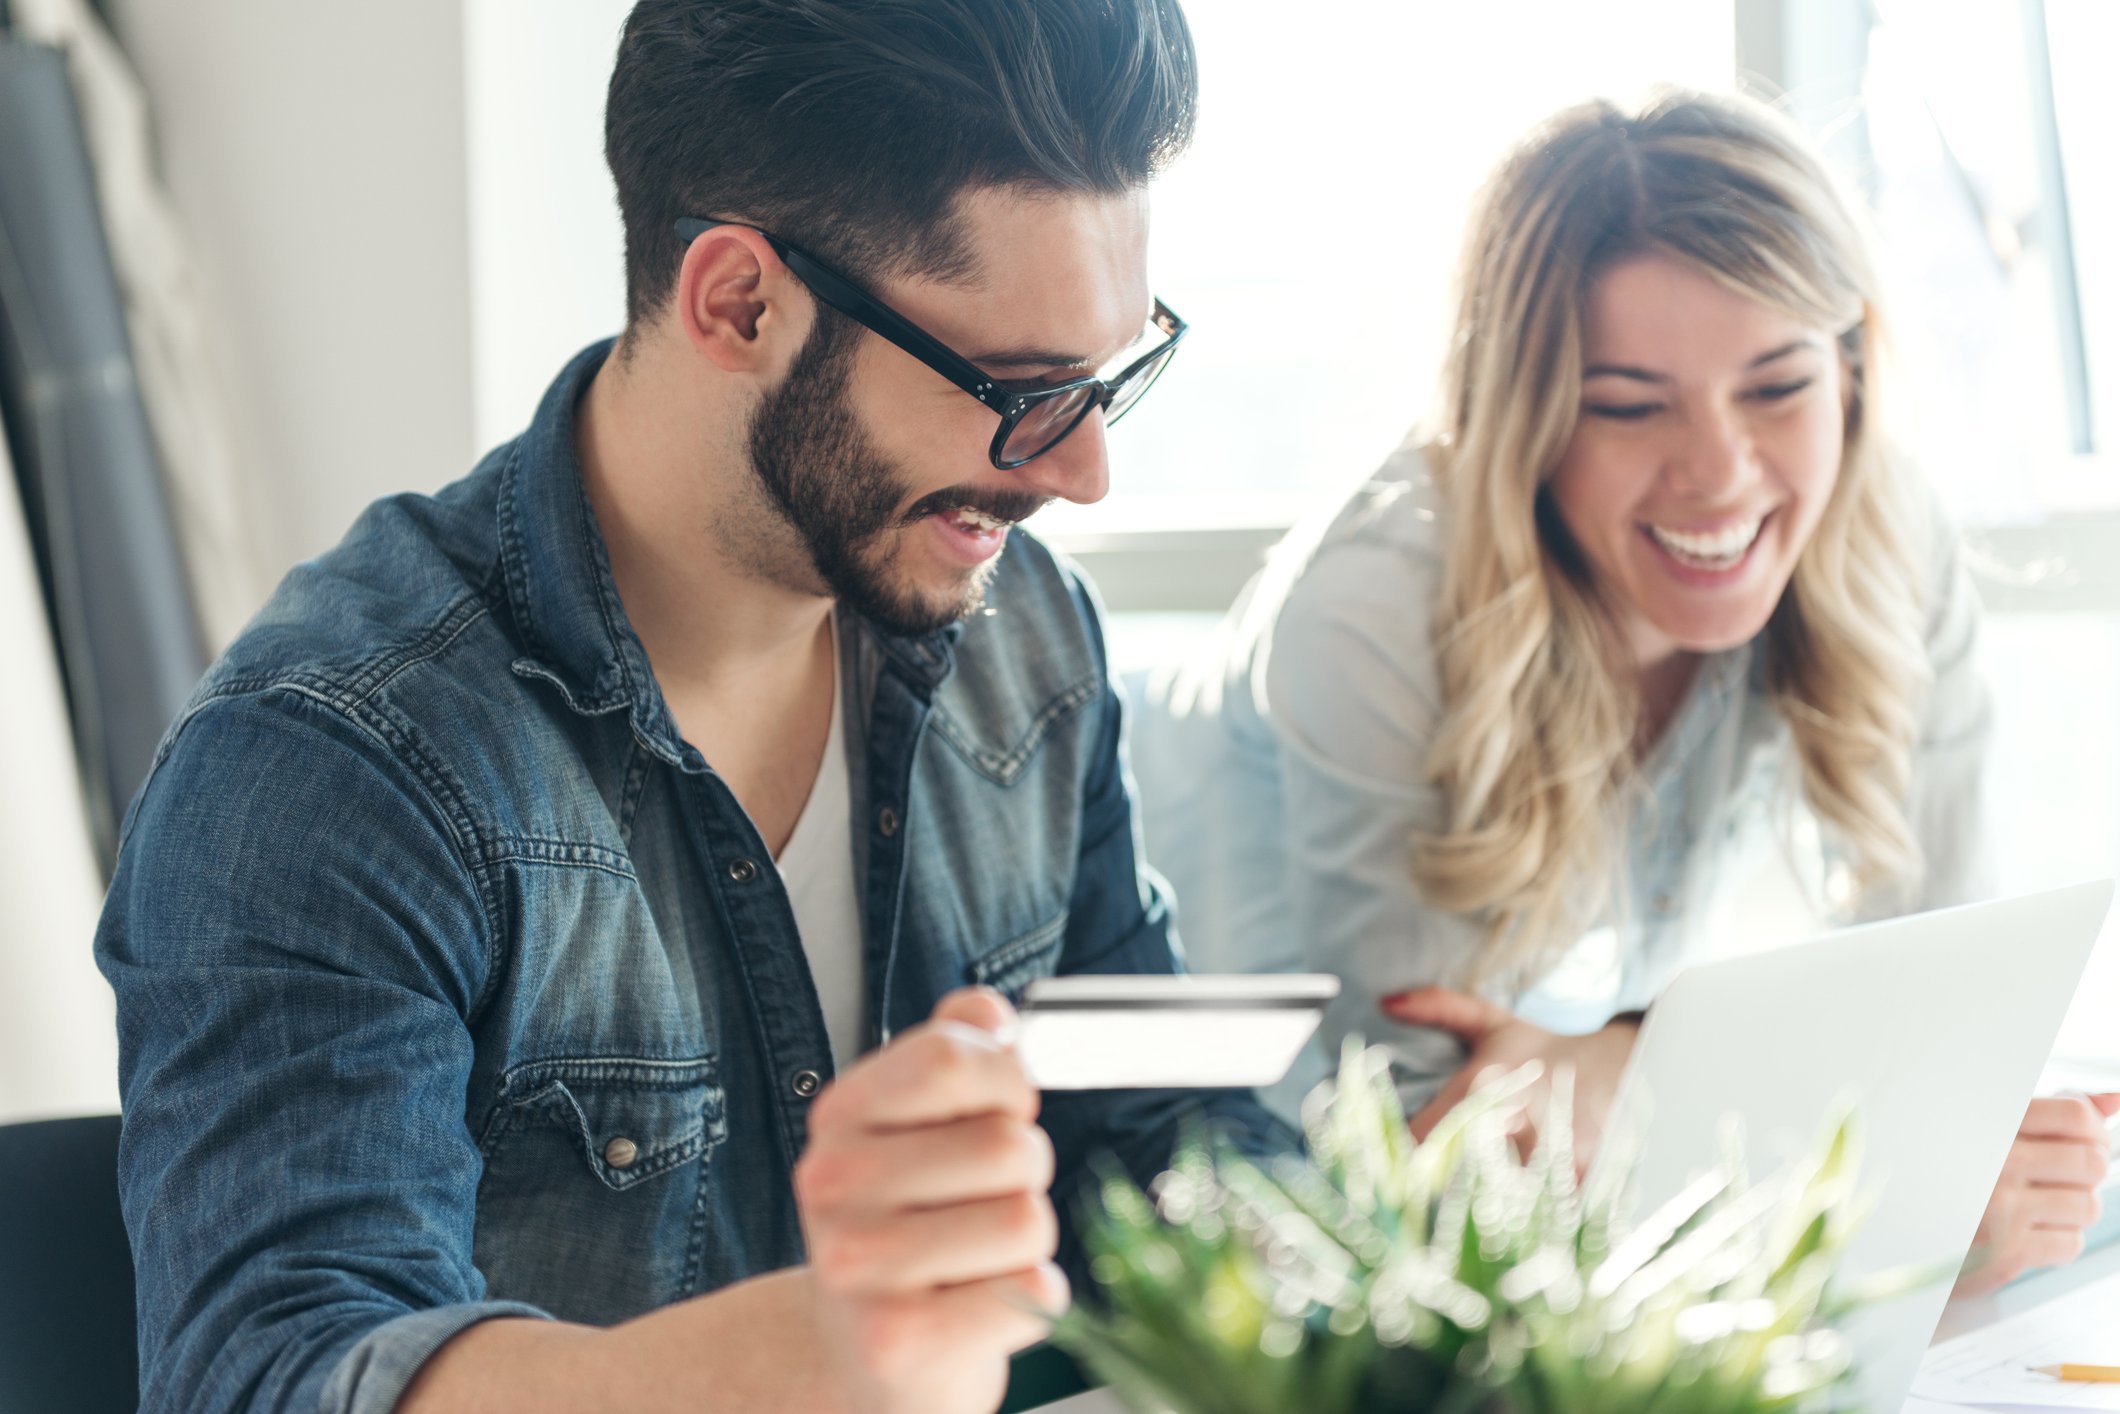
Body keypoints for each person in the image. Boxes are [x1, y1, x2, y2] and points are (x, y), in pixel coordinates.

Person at [94, 4, 1289, 1412]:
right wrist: (822, 1358)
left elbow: (1163, 1133)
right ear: (739, 302)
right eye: (1021, 392)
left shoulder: (1026, 644)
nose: (1083, 474)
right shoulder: (332, 761)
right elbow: (281, 1372)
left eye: (1107, 376)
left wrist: (1410, 1279)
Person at [1133, 89, 2114, 1298]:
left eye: (1775, 386)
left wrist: (1623, 1069)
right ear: (1525, 413)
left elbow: (1949, 1020)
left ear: (1849, 371)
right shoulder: (1377, 602)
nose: (1717, 474)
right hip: (1159, 1092)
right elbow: (1433, 1151)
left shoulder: (1878, 529)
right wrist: (1665, 1075)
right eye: (1628, 404)